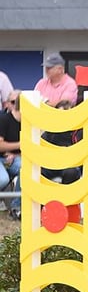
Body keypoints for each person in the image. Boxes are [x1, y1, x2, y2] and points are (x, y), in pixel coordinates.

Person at [41, 100, 82, 185]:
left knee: (71, 172)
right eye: (59, 114)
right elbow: (41, 146)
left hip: (70, 164)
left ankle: (67, 198)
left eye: (65, 114)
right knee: (32, 170)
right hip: (51, 164)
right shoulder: (50, 130)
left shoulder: (79, 131)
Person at [0, 89, 22, 219]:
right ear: (8, 104)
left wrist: (15, 154)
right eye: (13, 102)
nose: (15, 105)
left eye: (17, 102)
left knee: (26, 168)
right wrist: (20, 144)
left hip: (17, 158)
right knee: (2, 179)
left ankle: (16, 207)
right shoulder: (3, 119)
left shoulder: (29, 121)